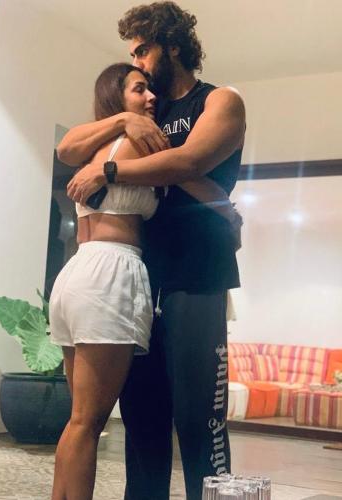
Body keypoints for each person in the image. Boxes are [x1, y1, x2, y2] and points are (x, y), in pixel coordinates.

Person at [59, 4, 245, 499]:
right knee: (142, 418)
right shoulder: (145, 112)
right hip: (140, 279)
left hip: (197, 274)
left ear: (173, 46)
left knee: (199, 419)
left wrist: (109, 171)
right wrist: (123, 118)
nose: (137, 62)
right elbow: (72, 145)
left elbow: (187, 161)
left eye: (143, 49)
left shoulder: (219, 100)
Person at [49, 63, 161, 500]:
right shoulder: (138, 139)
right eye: (139, 89)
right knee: (88, 422)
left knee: (78, 420)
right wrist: (126, 119)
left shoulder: (94, 149)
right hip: (111, 272)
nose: (150, 97)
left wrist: (121, 118)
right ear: (116, 96)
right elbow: (185, 167)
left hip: (77, 272)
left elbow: (65, 148)